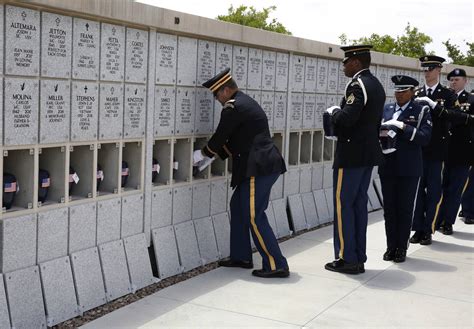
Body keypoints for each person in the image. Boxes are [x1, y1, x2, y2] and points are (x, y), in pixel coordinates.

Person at [195, 68, 289, 278]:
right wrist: (213, 155)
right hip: (257, 164)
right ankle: (241, 256)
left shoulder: (233, 108)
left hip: (258, 166)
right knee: (237, 207)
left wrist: (203, 154)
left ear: (226, 90)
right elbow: (239, 141)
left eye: (217, 94)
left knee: (254, 215)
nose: (217, 99)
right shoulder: (244, 102)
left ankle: (276, 264)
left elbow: (220, 137)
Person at [324, 45, 385, 275]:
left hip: (351, 156)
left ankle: (346, 257)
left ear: (356, 63)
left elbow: (348, 118)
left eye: (346, 61)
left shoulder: (357, 85)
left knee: (343, 206)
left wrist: (333, 112)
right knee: (358, 205)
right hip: (367, 154)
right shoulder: (376, 84)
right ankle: (358, 256)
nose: (343, 66)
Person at [379, 75, 432, 263]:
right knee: (390, 210)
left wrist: (403, 127)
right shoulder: (387, 109)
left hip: (409, 168)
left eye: (403, 91)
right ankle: (390, 246)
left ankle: (401, 248)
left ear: (412, 92)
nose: (399, 94)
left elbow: (425, 138)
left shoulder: (420, 111)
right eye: (397, 90)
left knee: (404, 209)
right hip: (387, 166)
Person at [410, 55, 457, 245]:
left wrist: (436, 107)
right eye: (424, 69)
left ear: (438, 70)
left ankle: (429, 228)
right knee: (418, 192)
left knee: (434, 192)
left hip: (437, 151)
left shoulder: (447, 95)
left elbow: (456, 116)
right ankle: (417, 228)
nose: (427, 72)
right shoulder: (417, 93)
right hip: (419, 150)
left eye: (430, 69)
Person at [438, 69, 474, 231]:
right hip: (444, 150)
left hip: (463, 152)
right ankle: (437, 219)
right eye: (451, 79)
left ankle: (448, 222)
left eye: (457, 79)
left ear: (465, 81)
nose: (453, 82)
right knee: (441, 188)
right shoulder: (444, 99)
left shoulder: (471, 100)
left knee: (455, 189)